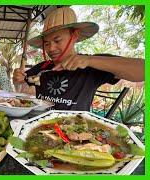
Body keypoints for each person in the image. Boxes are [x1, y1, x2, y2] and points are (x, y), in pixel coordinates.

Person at [13, 7, 144, 111]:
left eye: (57, 40)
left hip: (74, 133)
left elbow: (143, 70)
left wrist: (89, 60)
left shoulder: (91, 66)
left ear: (75, 35)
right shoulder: (42, 67)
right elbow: (20, 82)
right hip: (39, 126)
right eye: (46, 43)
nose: (51, 48)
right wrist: (18, 78)